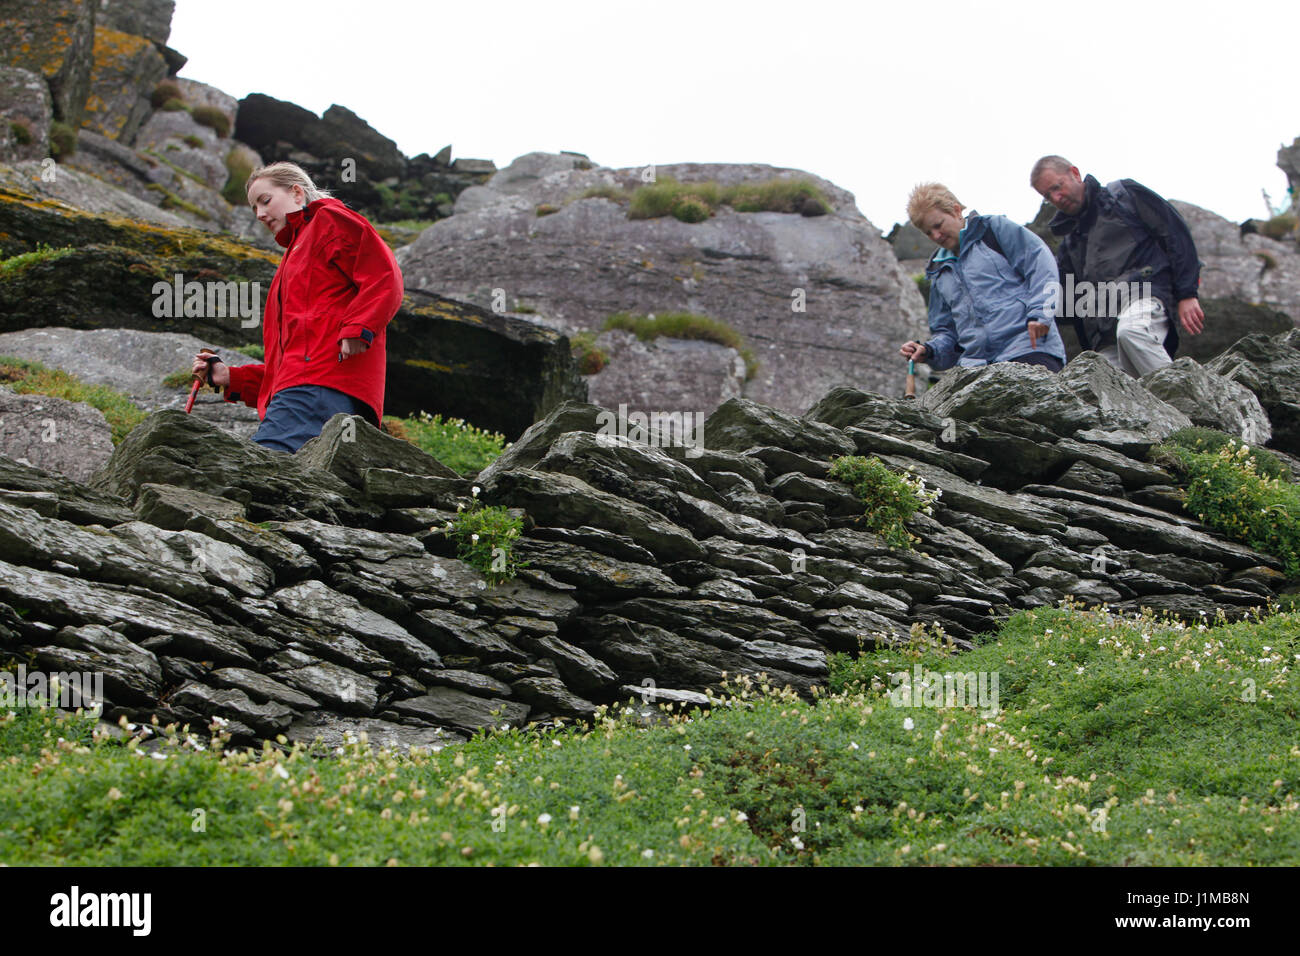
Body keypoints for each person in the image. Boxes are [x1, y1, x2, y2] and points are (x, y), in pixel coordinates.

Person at [191, 162, 404, 452]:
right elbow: (292, 360)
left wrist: (358, 328)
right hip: (312, 391)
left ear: (296, 193)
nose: (260, 214)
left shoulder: (328, 219)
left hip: (317, 388)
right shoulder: (295, 251)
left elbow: (384, 274)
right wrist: (233, 378)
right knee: (292, 484)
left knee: (265, 470)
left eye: (265, 201)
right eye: (255, 208)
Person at [1030, 155, 1204, 378]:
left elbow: (1175, 234)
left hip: (1145, 298)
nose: (1056, 197)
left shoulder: (1124, 195)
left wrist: (1187, 294)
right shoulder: (1069, 245)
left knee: (1132, 332)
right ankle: (1161, 411)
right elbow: (1067, 303)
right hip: (1102, 330)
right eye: (1048, 195)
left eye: (1057, 187)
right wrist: (1039, 315)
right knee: (1094, 379)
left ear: (1074, 173)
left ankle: (1189, 401)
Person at [899, 183, 1066, 374]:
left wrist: (1040, 314)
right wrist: (929, 351)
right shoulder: (938, 271)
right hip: (976, 369)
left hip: (1030, 350)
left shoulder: (994, 230)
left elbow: (1043, 267)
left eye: (938, 225)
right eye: (928, 232)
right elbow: (947, 333)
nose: (936, 235)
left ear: (955, 210)